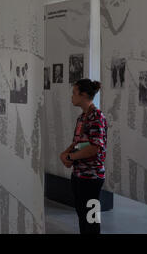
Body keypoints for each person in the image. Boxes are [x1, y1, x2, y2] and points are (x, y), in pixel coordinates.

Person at [59, 79, 107, 234]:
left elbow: (94, 148)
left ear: (84, 95)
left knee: (91, 219)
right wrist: (66, 154)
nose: (71, 97)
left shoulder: (97, 117)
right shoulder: (81, 118)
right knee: (82, 215)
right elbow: (78, 142)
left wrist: (71, 158)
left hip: (92, 178)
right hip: (78, 175)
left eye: (74, 93)